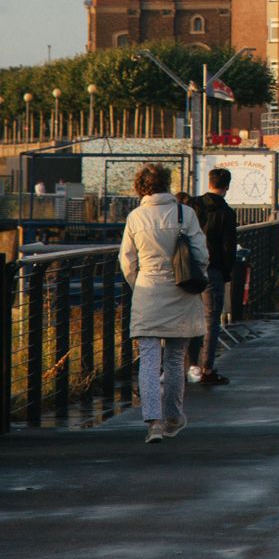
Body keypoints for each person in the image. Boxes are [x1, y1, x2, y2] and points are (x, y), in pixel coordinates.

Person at [119, 161, 210, 444]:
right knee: (173, 359)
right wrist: (198, 278)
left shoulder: (135, 217)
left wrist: (140, 284)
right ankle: (173, 416)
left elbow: (127, 260)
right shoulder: (185, 213)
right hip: (180, 291)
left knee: (148, 360)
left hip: (147, 291)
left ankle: (153, 423)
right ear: (167, 183)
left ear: (141, 187)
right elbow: (200, 253)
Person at [188, 165, 238, 386]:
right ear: (227, 186)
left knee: (188, 317)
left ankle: (186, 366)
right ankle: (206, 368)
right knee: (211, 319)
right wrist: (227, 272)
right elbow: (229, 247)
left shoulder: (193, 206)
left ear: (208, 182)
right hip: (213, 269)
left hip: (189, 270)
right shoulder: (226, 213)